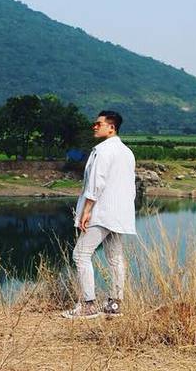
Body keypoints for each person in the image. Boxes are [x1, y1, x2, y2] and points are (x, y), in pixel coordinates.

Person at [61, 110, 137, 320]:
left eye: (98, 124)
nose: (94, 126)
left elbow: (96, 183)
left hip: (102, 211)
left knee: (81, 254)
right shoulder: (127, 152)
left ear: (111, 127)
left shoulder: (102, 151)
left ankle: (88, 305)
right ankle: (114, 304)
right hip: (119, 212)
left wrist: (86, 211)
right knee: (115, 257)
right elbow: (131, 186)